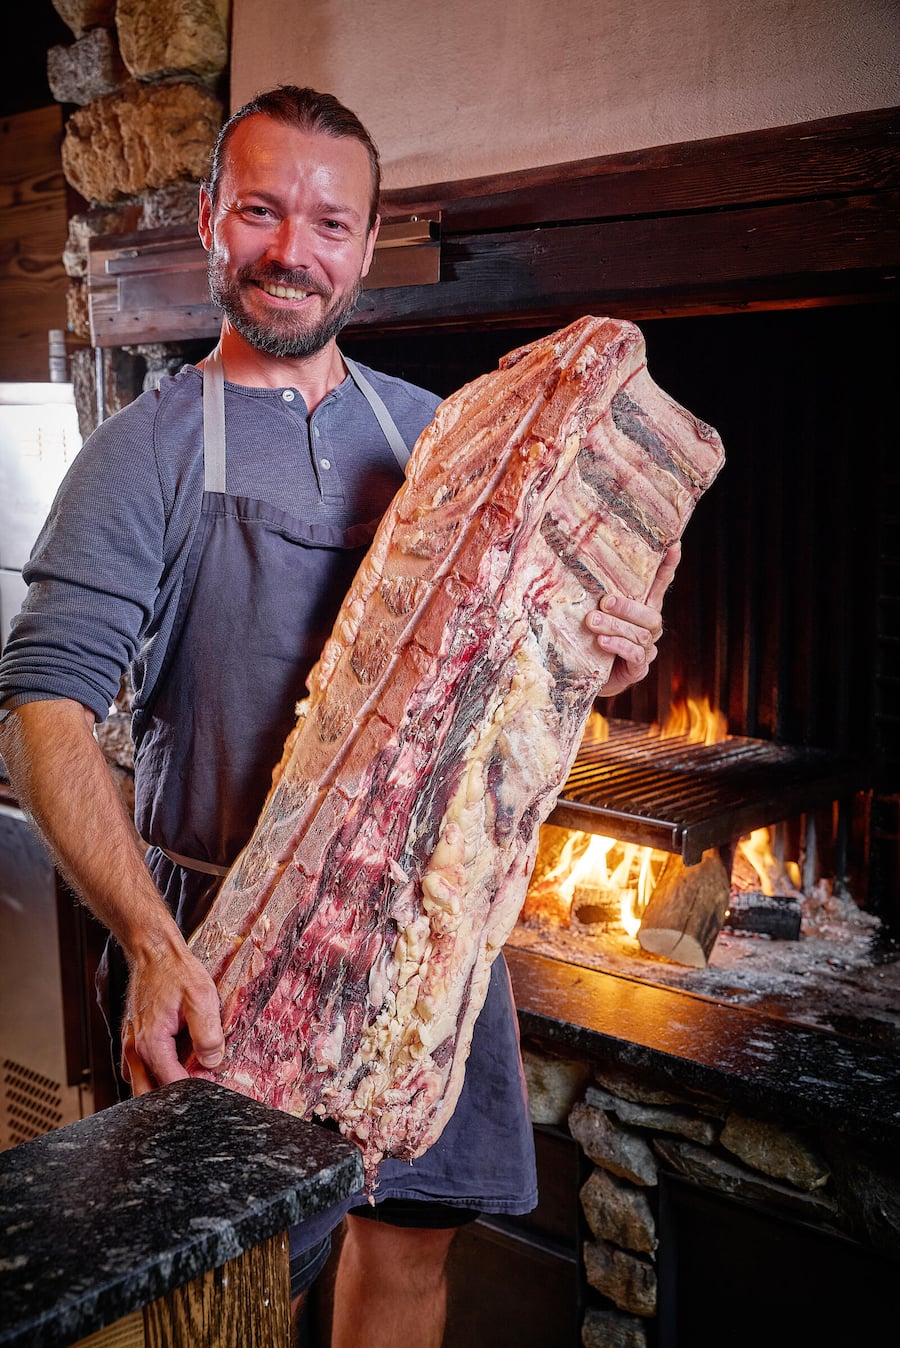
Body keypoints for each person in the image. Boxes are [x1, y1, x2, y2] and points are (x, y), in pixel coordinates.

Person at [0, 86, 679, 1347]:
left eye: (327, 223)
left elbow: (513, 662)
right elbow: (41, 706)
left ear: (367, 246)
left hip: (428, 940)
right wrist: (150, 940)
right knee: (235, 1295)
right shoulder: (143, 453)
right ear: (211, 220)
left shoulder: (442, 436)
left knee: (411, 1253)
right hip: (225, 946)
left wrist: (600, 659)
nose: (291, 251)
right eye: (260, 211)